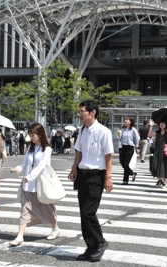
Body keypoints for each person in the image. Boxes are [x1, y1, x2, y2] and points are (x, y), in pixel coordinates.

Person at [68, 100, 113, 262]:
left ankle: (100, 242)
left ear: (92, 112)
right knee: (83, 213)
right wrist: (74, 169)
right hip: (83, 174)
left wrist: (108, 177)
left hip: (97, 176)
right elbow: (78, 152)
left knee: (89, 212)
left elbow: (108, 156)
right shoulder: (82, 131)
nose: (79, 114)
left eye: (82, 111)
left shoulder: (104, 131)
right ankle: (91, 246)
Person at [9, 123, 60, 246]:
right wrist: (18, 169)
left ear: (40, 134)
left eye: (33, 135)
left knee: (47, 208)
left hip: (40, 184)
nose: (31, 137)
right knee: (24, 209)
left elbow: (41, 166)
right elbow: (25, 164)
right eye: (30, 135)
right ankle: (20, 236)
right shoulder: (30, 149)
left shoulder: (47, 149)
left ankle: (55, 228)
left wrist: (30, 177)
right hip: (28, 185)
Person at [148, 119, 167, 189]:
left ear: (166, 125)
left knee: (165, 166)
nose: (162, 125)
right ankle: (159, 180)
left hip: (165, 152)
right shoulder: (157, 132)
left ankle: (164, 182)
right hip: (157, 151)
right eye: (161, 123)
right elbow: (149, 135)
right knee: (156, 165)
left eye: (163, 123)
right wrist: (151, 126)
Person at [118, 117, 140, 185]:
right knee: (122, 163)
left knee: (126, 164)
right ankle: (132, 173)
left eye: (127, 120)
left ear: (130, 122)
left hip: (130, 148)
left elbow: (137, 138)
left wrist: (137, 147)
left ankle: (125, 180)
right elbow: (121, 139)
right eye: (125, 119)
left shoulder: (133, 130)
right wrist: (119, 137)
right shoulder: (123, 129)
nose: (125, 120)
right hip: (123, 147)